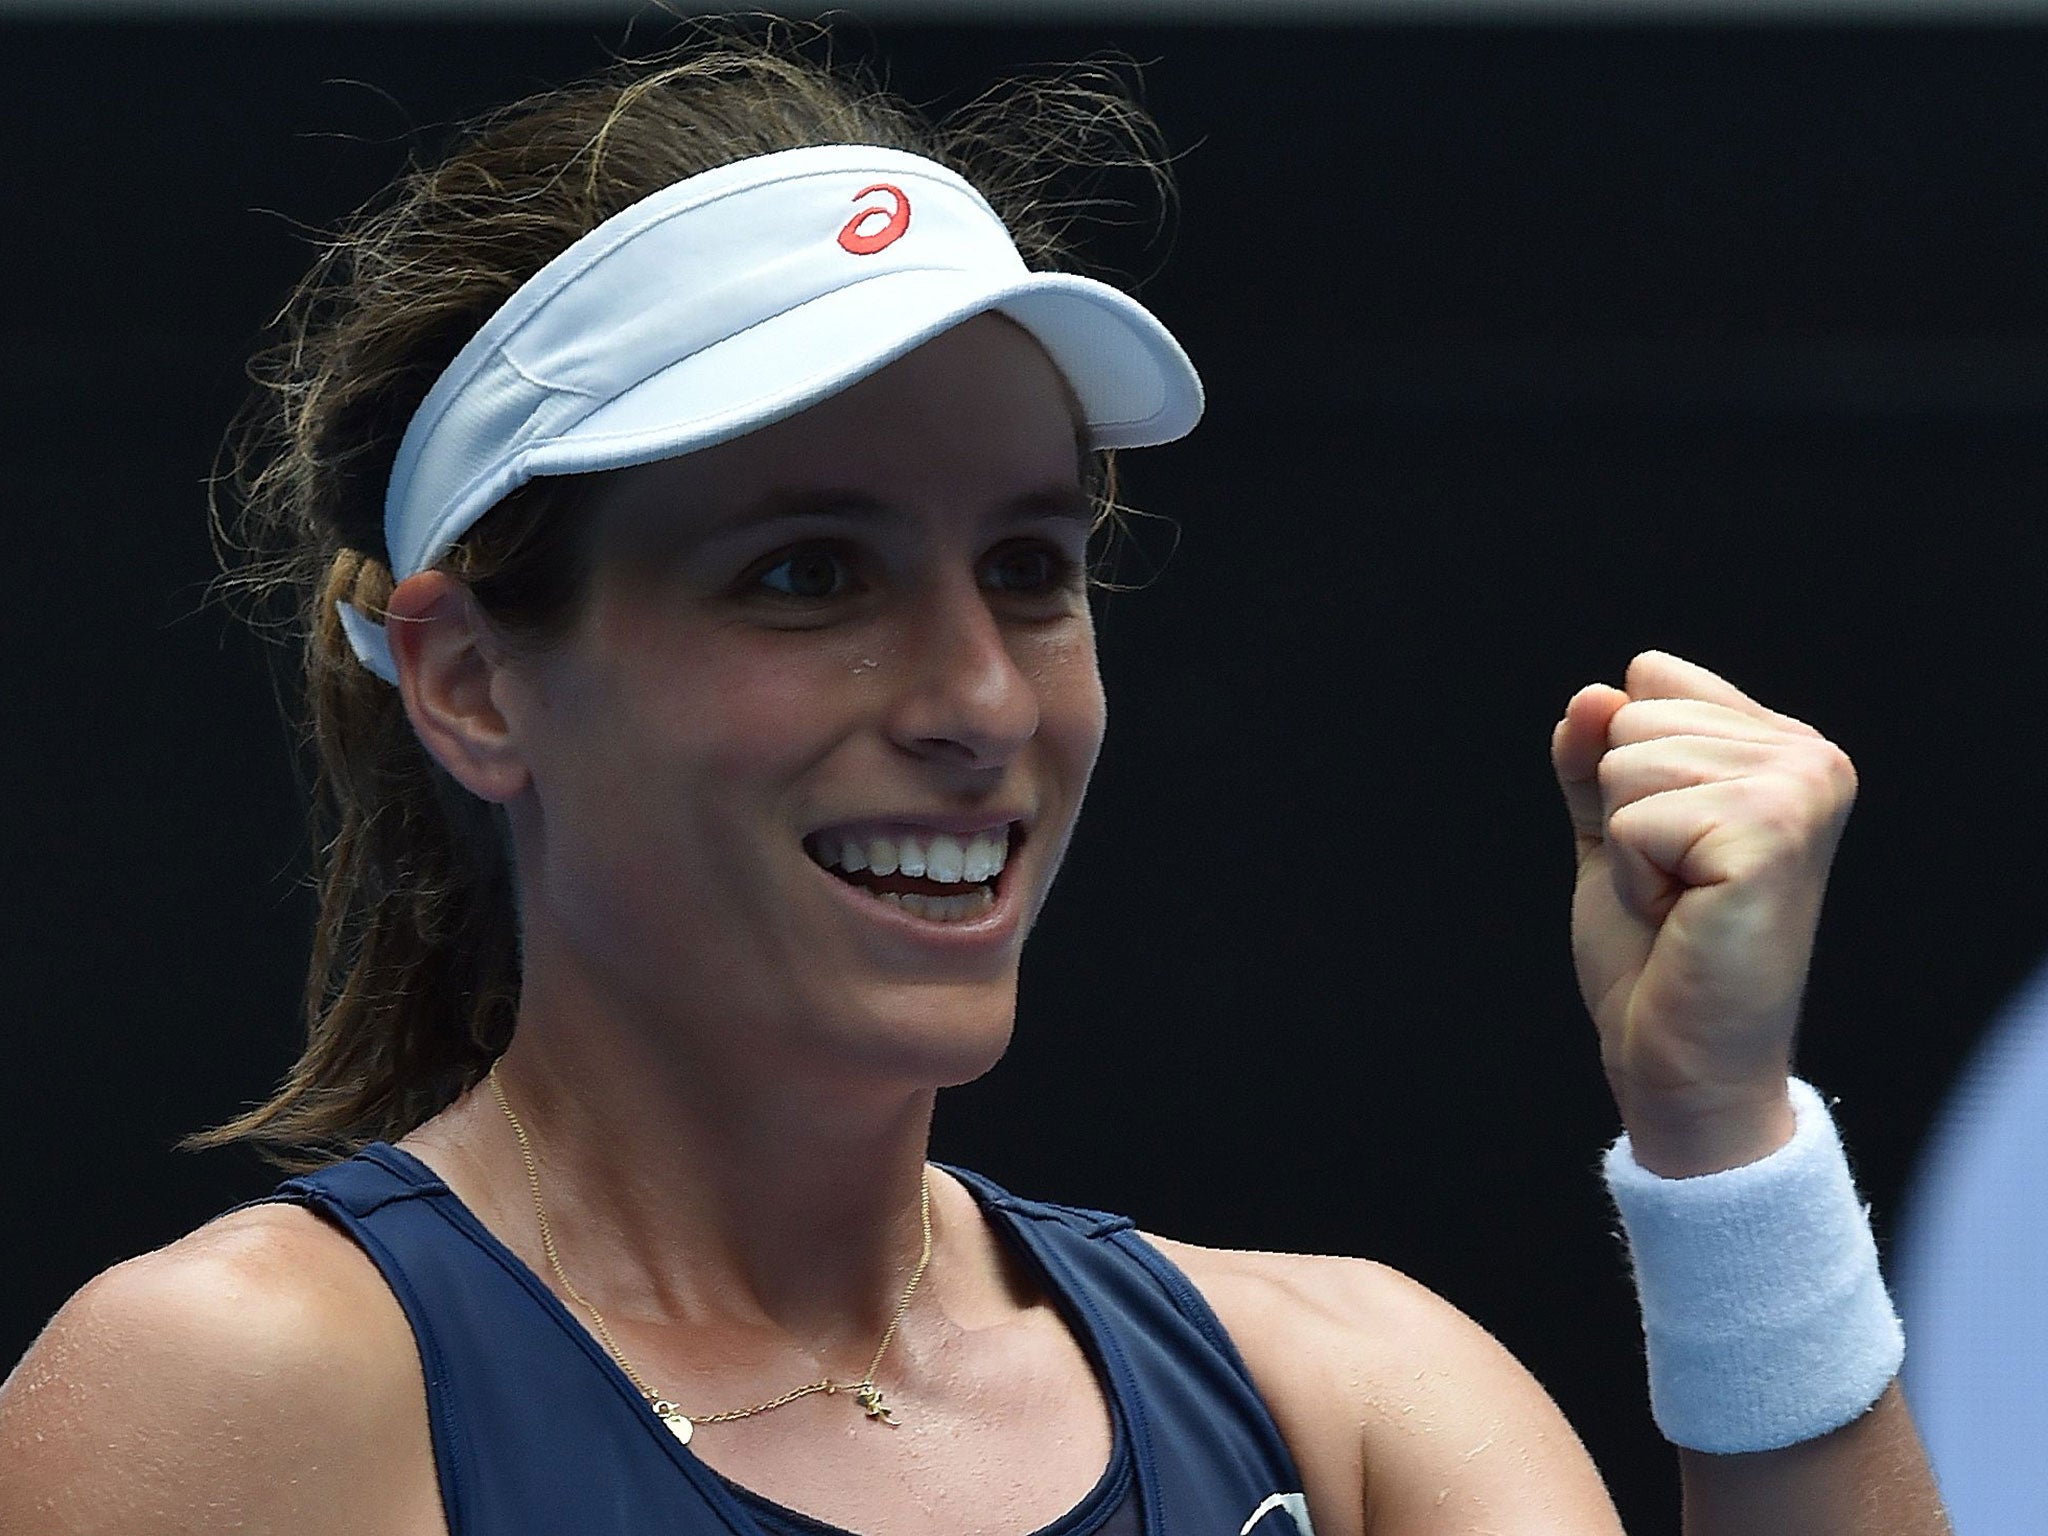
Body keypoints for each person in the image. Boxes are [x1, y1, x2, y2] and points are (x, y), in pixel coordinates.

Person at [0, 28, 1950, 1536]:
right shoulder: (241, 1391)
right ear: (469, 681)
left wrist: (1724, 1149)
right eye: (806, 573)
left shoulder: (1356, 1396)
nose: (970, 696)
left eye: (1027, 567)